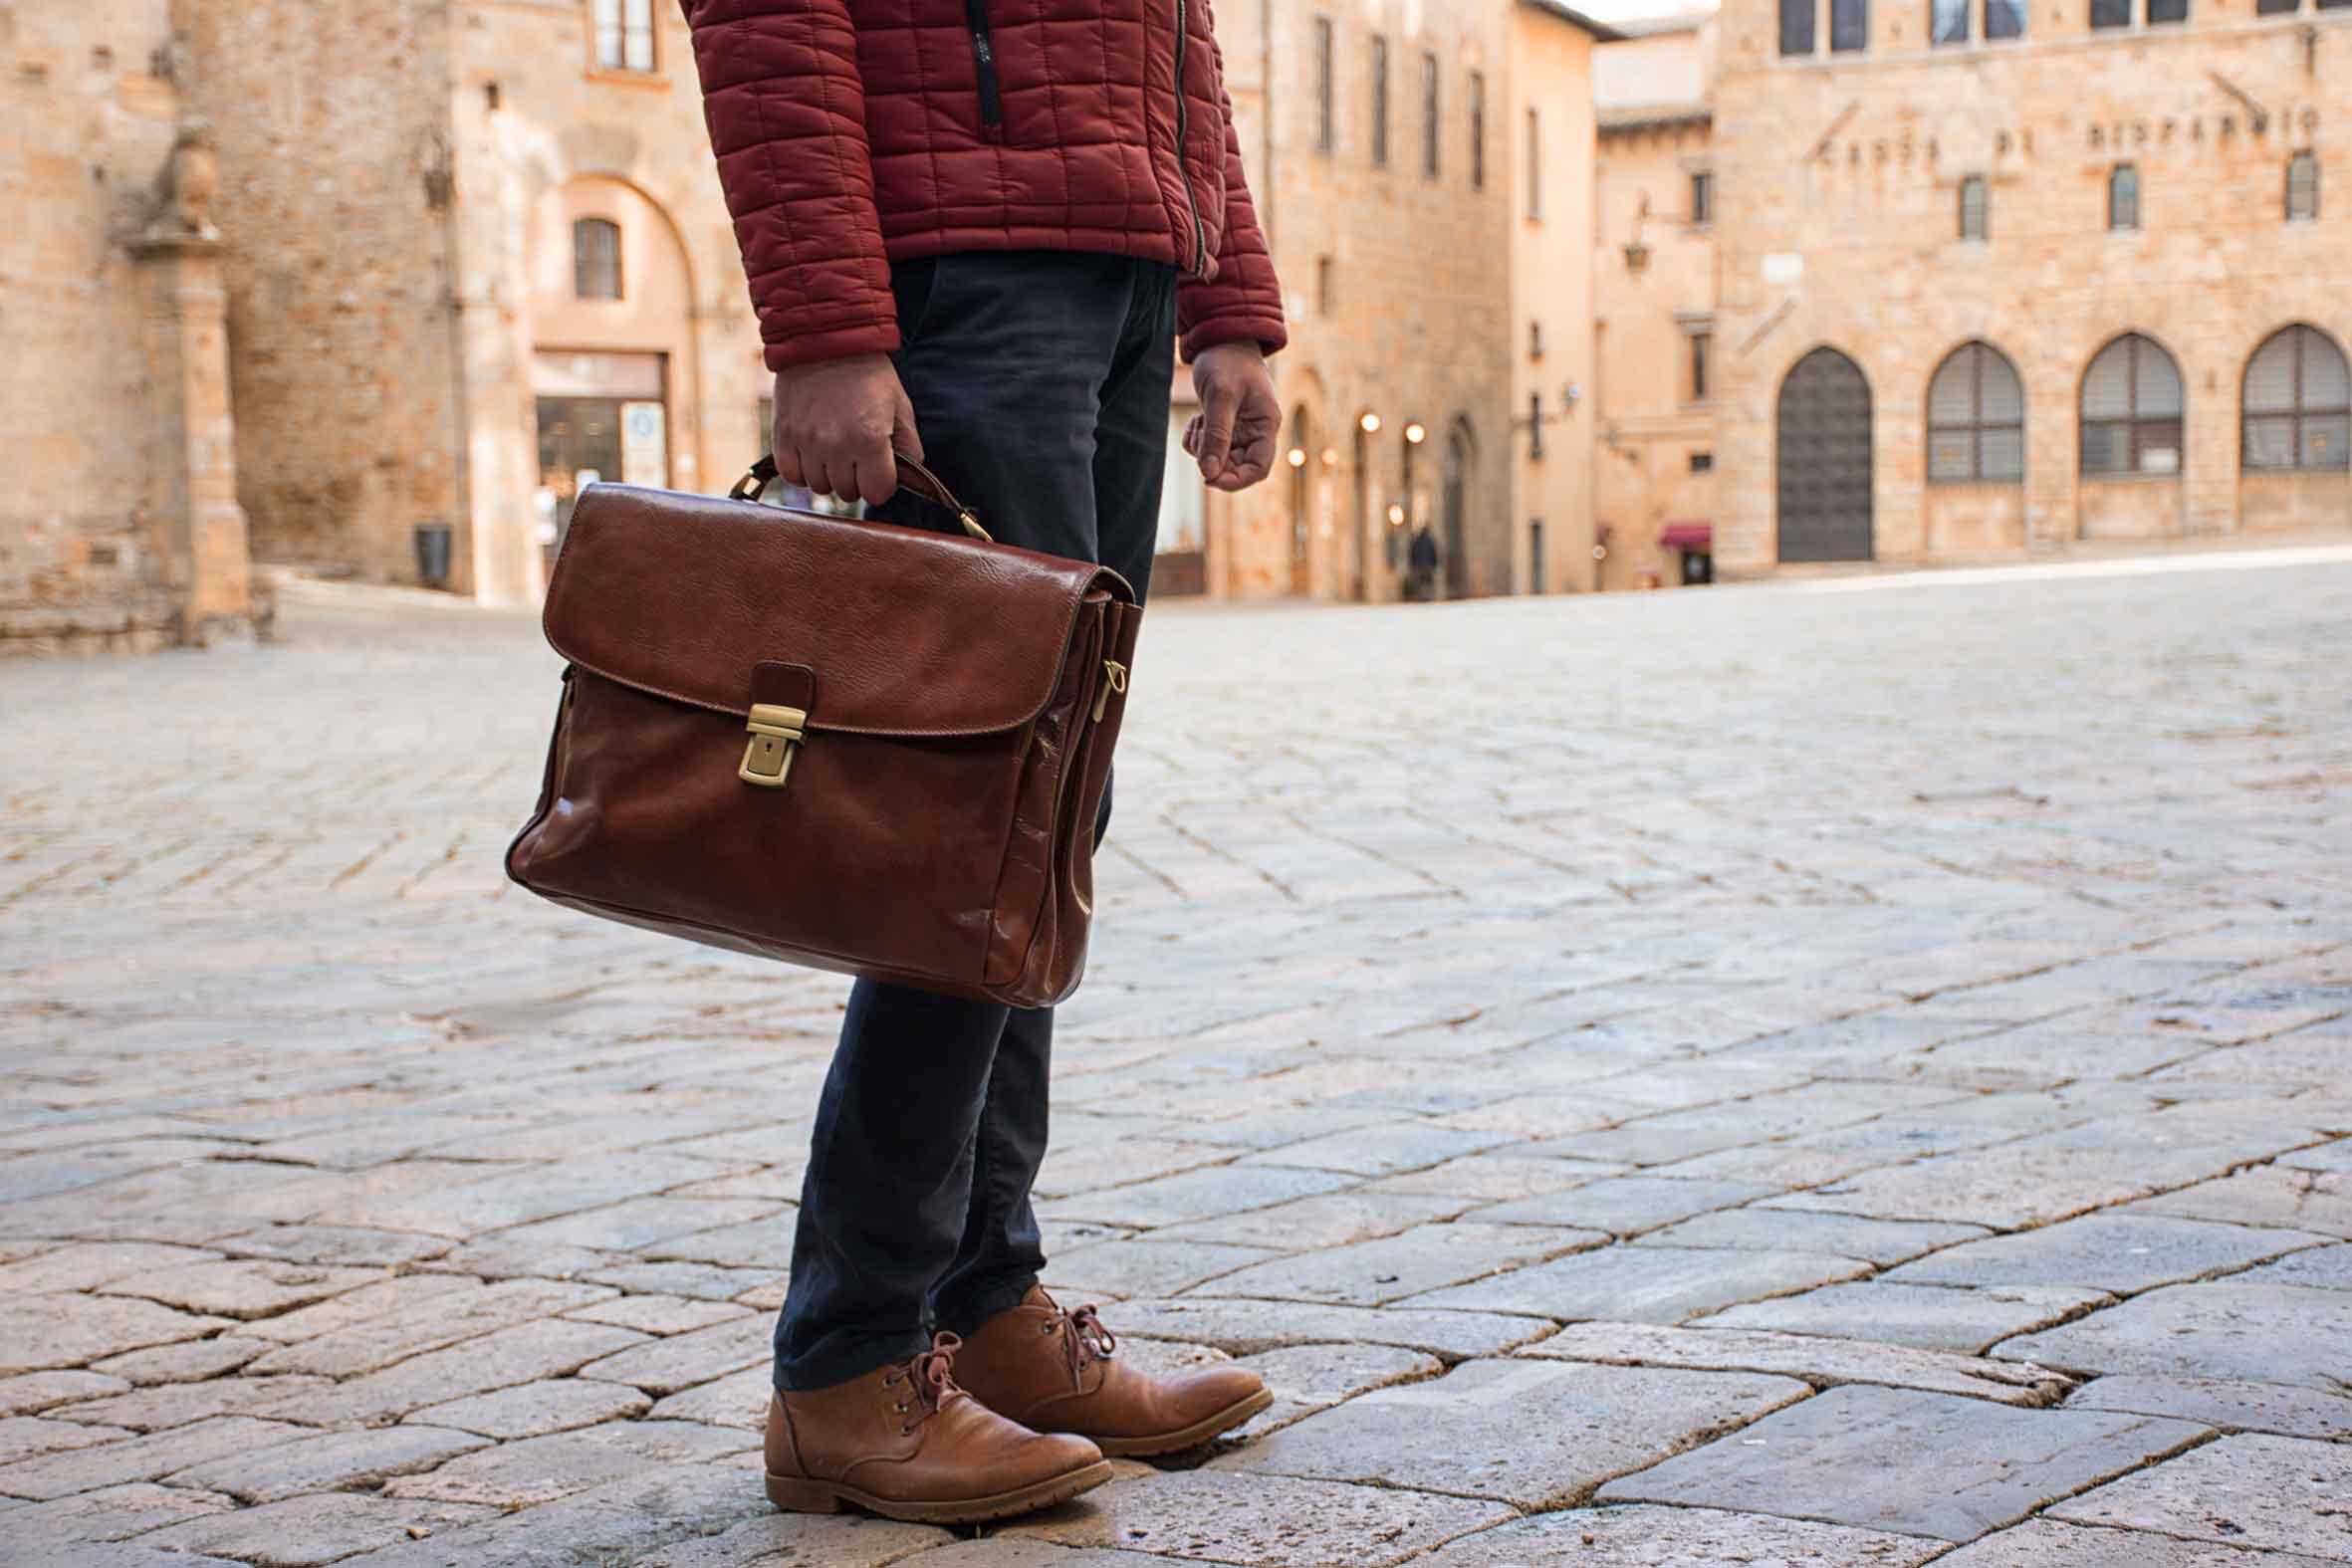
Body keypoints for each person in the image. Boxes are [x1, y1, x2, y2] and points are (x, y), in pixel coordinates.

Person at [679, 0, 1288, 1527]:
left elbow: (1177, 32)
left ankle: (981, 1301)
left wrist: (1224, 300)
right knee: (966, 824)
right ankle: (848, 1360)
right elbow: (771, 19)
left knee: (1038, 815)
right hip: (967, 277)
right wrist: (826, 328)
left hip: (1123, 272)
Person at [1408, 524, 1441, 601]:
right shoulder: (1430, 541)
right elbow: (1434, 553)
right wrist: (1434, 564)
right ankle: (1428, 596)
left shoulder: (1417, 541)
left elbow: (1413, 553)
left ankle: (1422, 596)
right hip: (1428, 566)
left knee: (1421, 582)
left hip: (1419, 565)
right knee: (1427, 582)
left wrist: (1413, 564)